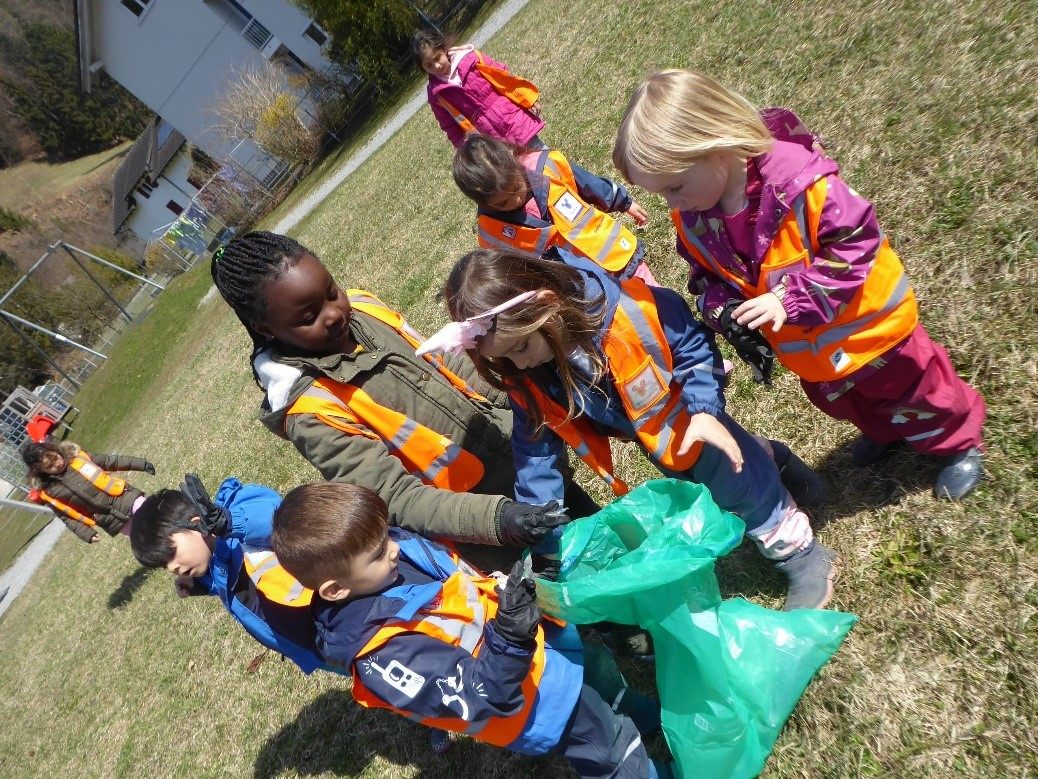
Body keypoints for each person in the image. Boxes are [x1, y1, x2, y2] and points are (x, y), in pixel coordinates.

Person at [612, 69, 986, 500]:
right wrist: (722, 310)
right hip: (811, 348)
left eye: (675, 186)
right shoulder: (695, 216)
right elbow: (705, 277)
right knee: (847, 399)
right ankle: (889, 430)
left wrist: (790, 298)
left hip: (870, 327)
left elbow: (856, 242)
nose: (671, 203)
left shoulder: (799, 182)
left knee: (915, 388)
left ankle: (958, 443)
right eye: (662, 195)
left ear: (717, 144)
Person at [424, 248, 839, 610]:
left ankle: (799, 553)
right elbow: (536, 451)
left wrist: (704, 410)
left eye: (519, 349)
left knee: (733, 481)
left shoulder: (630, 311)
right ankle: (780, 463)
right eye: (505, 360)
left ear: (547, 307)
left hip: (691, 414)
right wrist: (542, 524)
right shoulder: (531, 371)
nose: (519, 365)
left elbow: (693, 348)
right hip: (655, 434)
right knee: (702, 470)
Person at [209, 231, 598, 576]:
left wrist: (521, 402)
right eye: (309, 316)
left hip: (527, 467)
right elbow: (395, 499)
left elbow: (445, 362)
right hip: (486, 528)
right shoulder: (310, 410)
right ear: (266, 329)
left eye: (331, 292)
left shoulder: (364, 309)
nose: (334, 313)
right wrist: (501, 520)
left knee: (601, 541)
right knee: (575, 595)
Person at [270, 480, 667, 778]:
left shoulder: (389, 557)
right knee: (611, 751)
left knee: (605, 692)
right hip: (539, 700)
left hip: (544, 651)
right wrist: (511, 634)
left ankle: (652, 721)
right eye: (377, 551)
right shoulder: (381, 654)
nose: (392, 547)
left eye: (386, 533)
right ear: (335, 589)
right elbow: (481, 696)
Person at [129, 475, 322, 666]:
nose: (172, 567)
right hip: (306, 643)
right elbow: (225, 581)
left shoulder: (238, 516)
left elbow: (278, 518)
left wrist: (231, 523)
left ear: (196, 524)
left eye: (172, 553)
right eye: (165, 565)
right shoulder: (212, 563)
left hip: (326, 610)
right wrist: (198, 586)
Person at [452, 133, 657, 285]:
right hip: (582, 284)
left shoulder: (547, 164)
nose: (515, 199)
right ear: (482, 203)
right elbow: (509, 269)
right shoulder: (491, 232)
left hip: (612, 250)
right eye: (502, 204)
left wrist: (623, 202)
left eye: (516, 188)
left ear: (513, 160)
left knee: (656, 299)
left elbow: (589, 184)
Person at [412, 29, 546, 149]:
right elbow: (448, 124)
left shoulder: (471, 59)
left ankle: (563, 174)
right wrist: (463, 147)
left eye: (437, 58)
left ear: (444, 48)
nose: (436, 66)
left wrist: (528, 99)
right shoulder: (437, 94)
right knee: (518, 169)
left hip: (512, 117)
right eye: (429, 65)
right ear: (423, 68)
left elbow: (505, 79)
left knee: (541, 154)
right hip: (491, 137)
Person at [22, 440, 154, 543]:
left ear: (56, 450)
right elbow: (66, 516)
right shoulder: (50, 492)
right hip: (108, 518)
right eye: (49, 466)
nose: (57, 464)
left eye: (55, 458)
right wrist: (86, 534)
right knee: (143, 537)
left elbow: (110, 461)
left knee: (153, 512)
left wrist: (141, 464)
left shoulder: (78, 458)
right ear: (40, 471)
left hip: (123, 497)